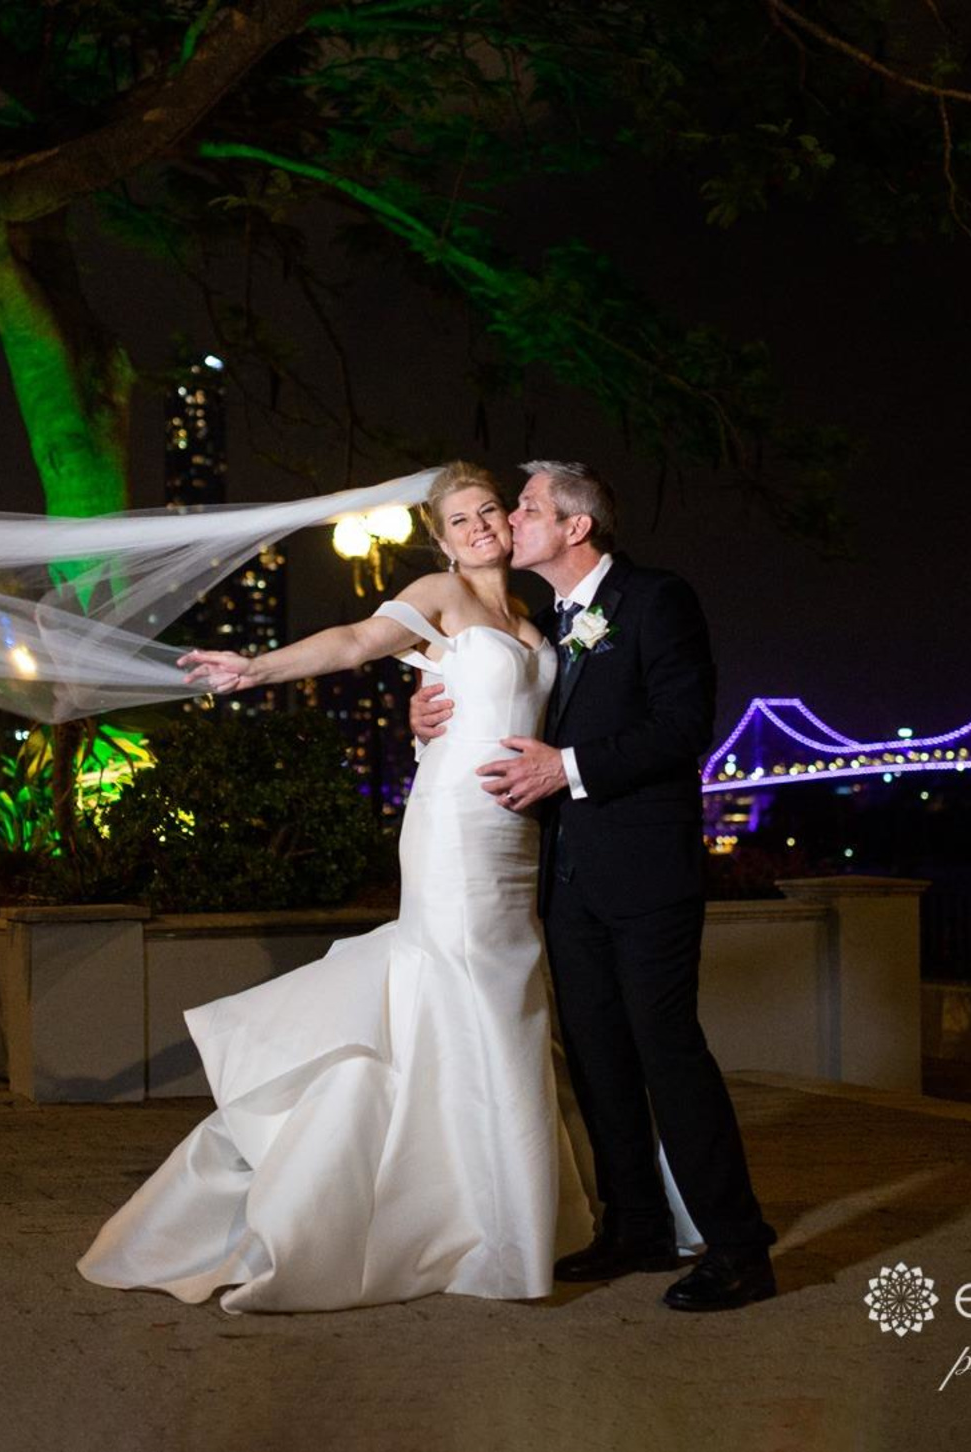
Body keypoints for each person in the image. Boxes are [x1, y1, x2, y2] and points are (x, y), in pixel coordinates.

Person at [76, 462, 597, 1313]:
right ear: (440, 540)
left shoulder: (537, 618)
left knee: (506, 1003)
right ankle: (481, 1225)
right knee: (471, 994)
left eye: (489, 511)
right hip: (455, 833)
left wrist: (427, 708)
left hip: (518, 843)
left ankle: (499, 1208)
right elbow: (356, 642)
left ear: (510, 518)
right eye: (459, 520)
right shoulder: (439, 594)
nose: (478, 529)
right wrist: (256, 667)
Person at [410, 460, 778, 1313]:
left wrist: (566, 766)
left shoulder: (657, 600)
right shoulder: (544, 621)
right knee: (600, 1059)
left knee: (668, 1054)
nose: (509, 519)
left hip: (647, 872)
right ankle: (635, 1226)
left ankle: (738, 1248)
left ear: (575, 528)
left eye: (526, 507)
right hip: (566, 879)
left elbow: (685, 726)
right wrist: (423, 708)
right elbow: (483, 689)